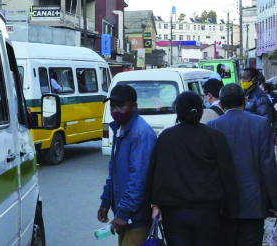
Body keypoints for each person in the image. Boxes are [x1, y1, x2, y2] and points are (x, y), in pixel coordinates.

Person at [149, 91, 239, 246]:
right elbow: (227, 174)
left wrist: (155, 205)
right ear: (201, 111)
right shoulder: (215, 137)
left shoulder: (166, 137)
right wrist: (232, 210)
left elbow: (156, 173)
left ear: (178, 112)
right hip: (208, 212)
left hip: (174, 212)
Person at [206, 83, 277, 246]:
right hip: (253, 203)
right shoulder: (261, 124)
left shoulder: (212, 126)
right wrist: (274, 201)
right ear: (245, 101)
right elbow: (268, 166)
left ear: (221, 104)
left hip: (222, 205)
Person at [97, 84, 157, 246]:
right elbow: (114, 173)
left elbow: (138, 179)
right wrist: (106, 201)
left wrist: (124, 212)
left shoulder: (141, 133)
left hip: (137, 216)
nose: (115, 110)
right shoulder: (119, 129)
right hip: (125, 213)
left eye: (121, 105)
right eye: (112, 106)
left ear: (134, 106)